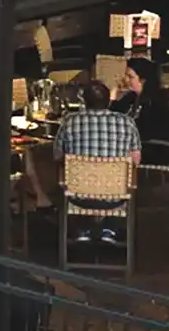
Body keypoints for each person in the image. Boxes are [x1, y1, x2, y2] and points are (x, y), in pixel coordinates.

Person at [55, 80, 140, 246]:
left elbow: (58, 156)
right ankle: (110, 228)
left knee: (58, 171)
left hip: (77, 196)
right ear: (108, 101)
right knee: (128, 176)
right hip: (116, 196)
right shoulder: (127, 122)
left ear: (84, 101)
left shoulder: (69, 121)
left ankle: (80, 228)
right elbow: (135, 160)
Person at [115, 57, 169, 156]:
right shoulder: (133, 95)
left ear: (143, 81)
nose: (125, 79)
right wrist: (115, 96)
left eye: (130, 77)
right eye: (125, 75)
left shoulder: (154, 104)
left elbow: (145, 133)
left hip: (152, 150)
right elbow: (114, 112)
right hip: (136, 143)